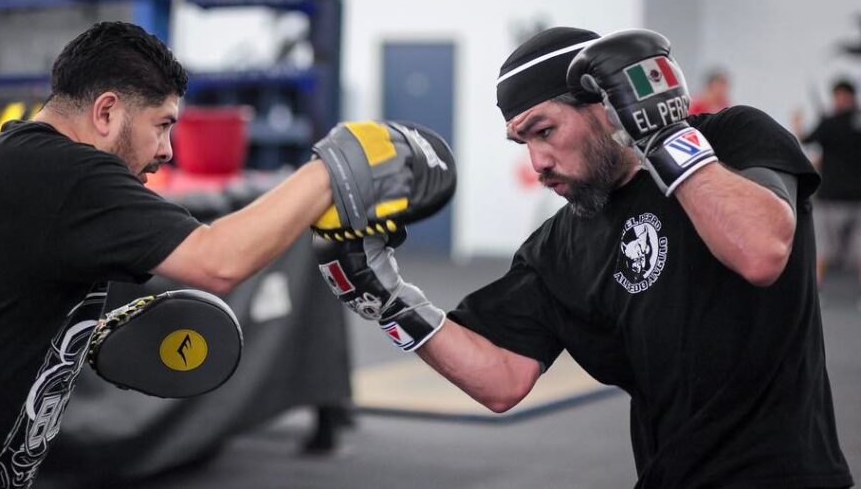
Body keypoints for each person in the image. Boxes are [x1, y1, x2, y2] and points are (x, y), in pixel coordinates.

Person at [0, 21, 445, 489]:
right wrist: (333, 169)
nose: (168, 150)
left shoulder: (0, 160)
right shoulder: (64, 172)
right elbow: (218, 261)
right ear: (106, 112)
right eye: (161, 125)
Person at [314, 27, 854, 487]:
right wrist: (389, 301)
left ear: (606, 105)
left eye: (545, 131)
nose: (538, 161)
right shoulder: (557, 246)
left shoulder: (731, 139)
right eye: (522, 142)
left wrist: (664, 134)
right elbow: (502, 379)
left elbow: (761, 251)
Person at [797, 79, 861, 285]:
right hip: (831, 196)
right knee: (823, 249)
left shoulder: (829, 122)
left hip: (851, 198)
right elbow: (809, 141)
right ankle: (816, 289)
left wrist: (798, 123)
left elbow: (805, 139)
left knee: (855, 253)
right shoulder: (830, 122)